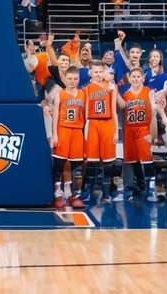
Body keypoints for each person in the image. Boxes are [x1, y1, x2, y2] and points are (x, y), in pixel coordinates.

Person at [48, 65, 88, 209]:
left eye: (75, 78)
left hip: (77, 131)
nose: (72, 81)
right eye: (70, 78)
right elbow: (56, 116)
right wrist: (55, 135)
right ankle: (58, 193)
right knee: (59, 164)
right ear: (65, 78)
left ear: (78, 79)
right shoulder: (60, 94)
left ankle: (71, 193)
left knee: (75, 164)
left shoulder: (83, 93)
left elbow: (86, 115)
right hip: (63, 129)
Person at [79, 63, 118, 203]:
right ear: (90, 73)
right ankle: (88, 192)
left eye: (101, 71)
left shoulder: (111, 86)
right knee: (91, 161)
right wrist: (85, 128)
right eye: (95, 72)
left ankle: (106, 193)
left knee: (108, 162)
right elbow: (85, 112)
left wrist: (116, 131)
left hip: (107, 123)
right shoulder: (86, 89)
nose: (98, 74)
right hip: (92, 123)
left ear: (104, 72)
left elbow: (114, 110)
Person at [116, 67, 157, 200]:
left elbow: (153, 112)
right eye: (133, 76)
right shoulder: (126, 94)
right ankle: (140, 185)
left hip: (143, 128)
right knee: (133, 160)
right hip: (129, 129)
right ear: (130, 78)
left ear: (143, 78)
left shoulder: (148, 92)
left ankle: (151, 189)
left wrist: (152, 132)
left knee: (146, 160)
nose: (136, 79)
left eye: (138, 76)